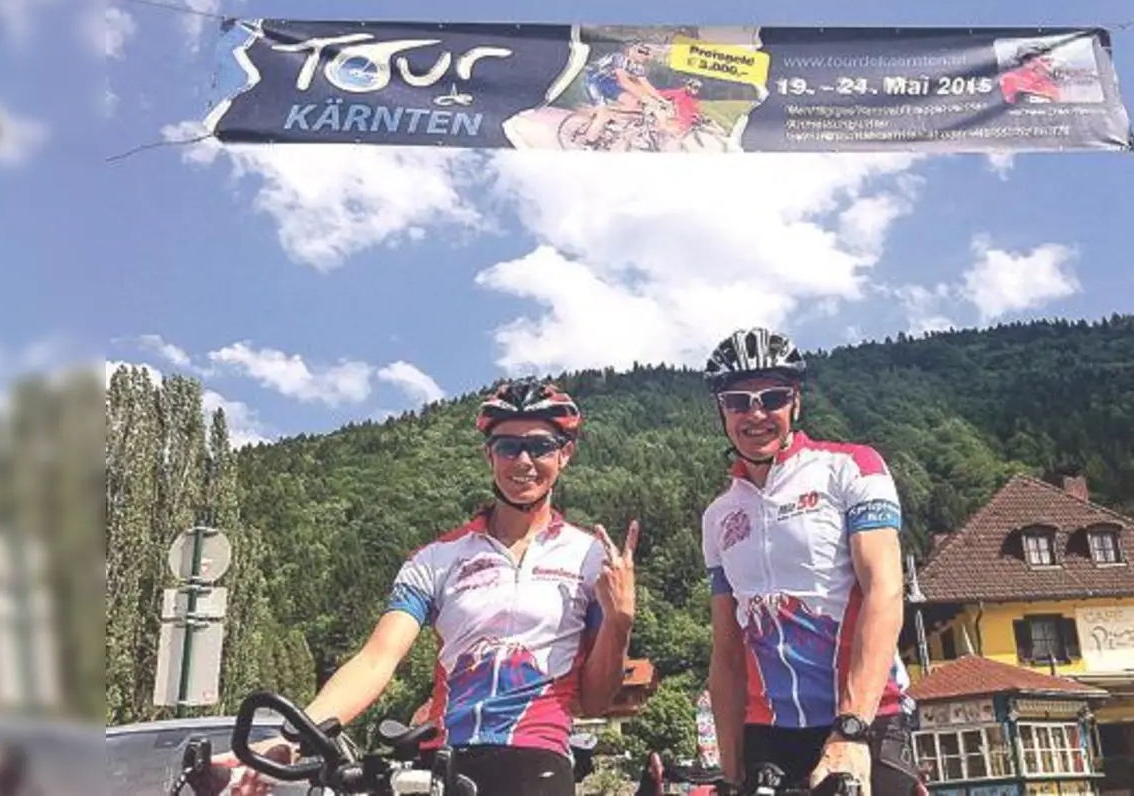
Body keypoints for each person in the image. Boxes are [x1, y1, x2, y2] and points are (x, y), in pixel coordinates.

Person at [221, 380, 638, 796]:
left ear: (565, 453)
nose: (523, 460)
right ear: (488, 453)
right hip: (444, 760)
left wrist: (619, 621)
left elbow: (596, 701)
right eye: (508, 447)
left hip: (538, 760)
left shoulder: (591, 558)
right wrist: (293, 740)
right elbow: (376, 660)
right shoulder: (436, 558)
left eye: (541, 446)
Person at [697, 328, 919, 796]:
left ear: (795, 402)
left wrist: (852, 728)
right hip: (769, 733)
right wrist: (728, 773)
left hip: (867, 718)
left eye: (771, 397)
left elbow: (885, 591)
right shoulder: (719, 515)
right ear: (722, 409)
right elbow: (727, 652)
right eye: (738, 401)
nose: (755, 413)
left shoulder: (852, 468)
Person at [576, 40, 669, 146]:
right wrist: (646, 98)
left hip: (609, 83)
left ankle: (611, 124)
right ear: (631, 51)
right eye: (641, 51)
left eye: (647, 53)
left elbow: (647, 86)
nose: (645, 55)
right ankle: (588, 145)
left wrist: (662, 100)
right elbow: (624, 82)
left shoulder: (638, 67)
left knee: (632, 101)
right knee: (603, 115)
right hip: (594, 81)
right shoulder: (619, 58)